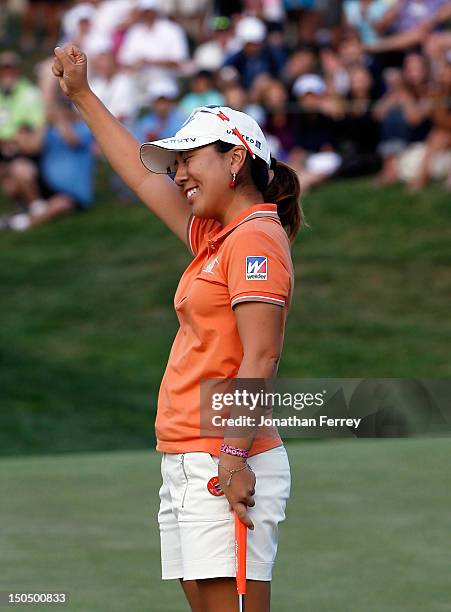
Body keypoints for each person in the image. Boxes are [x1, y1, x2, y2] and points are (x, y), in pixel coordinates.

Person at [52, 43, 306, 611]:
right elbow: (144, 183)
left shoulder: (255, 237)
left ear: (235, 159)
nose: (180, 173)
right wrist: (82, 96)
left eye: (190, 158)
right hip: (193, 456)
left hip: (224, 454)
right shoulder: (218, 237)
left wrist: (235, 456)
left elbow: (261, 357)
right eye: (178, 162)